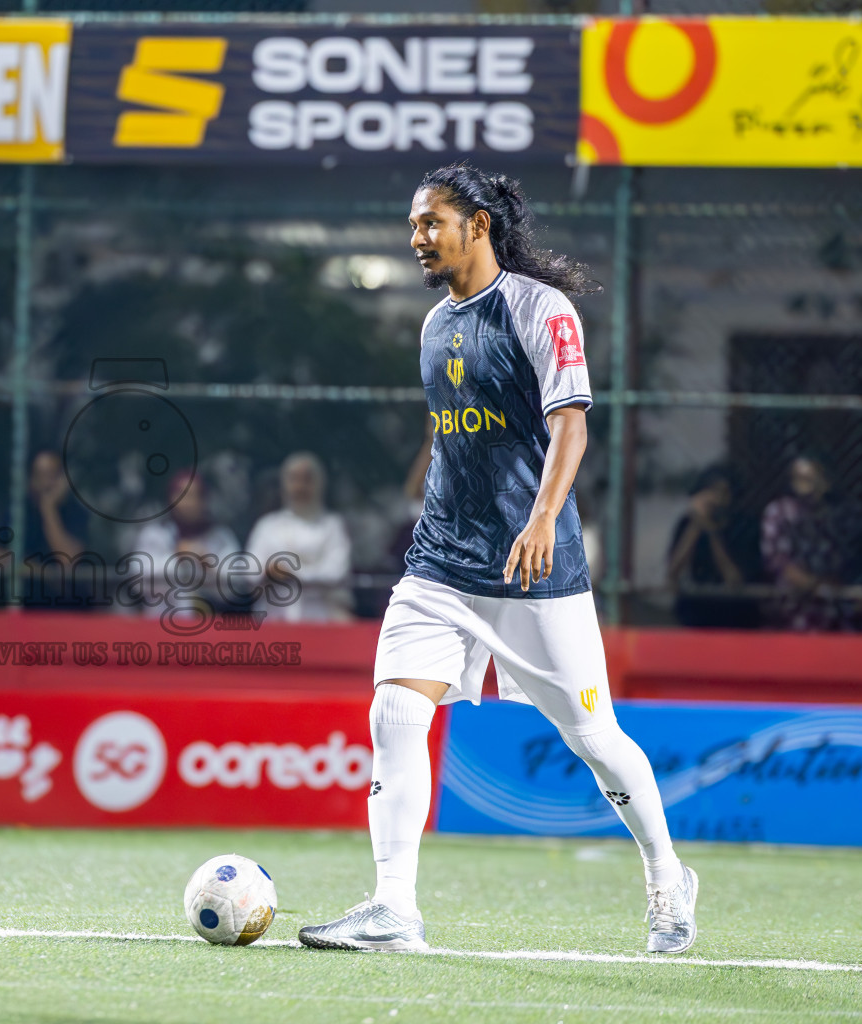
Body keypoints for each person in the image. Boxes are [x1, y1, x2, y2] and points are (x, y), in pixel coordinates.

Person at [298, 164, 696, 956]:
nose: (416, 239)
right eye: (412, 225)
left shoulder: (540, 309)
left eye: (430, 222)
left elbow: (571, 425)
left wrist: (544, 516)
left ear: (478, 224)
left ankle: (667, 877)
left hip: (531, 567)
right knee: (394, 713)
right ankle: (393, 909)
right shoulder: (434, 324)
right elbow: (452, 436)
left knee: (594, 736)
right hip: (441, 561)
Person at [0, 450, 95, 608]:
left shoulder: (75, 513)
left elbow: (67, 559)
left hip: (66, 609)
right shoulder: (18, 512)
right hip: (24, 606)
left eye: (52, 475)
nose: (46, 482)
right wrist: (28, 566)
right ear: (30, 479)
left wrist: (48, 508)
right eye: (40, 475)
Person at [245, 453, 353, 622]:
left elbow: (335, 573)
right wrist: (268, 571)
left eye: (307, 480)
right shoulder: (267, 526)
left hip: (321, 622)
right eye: (294, 479)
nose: (300, 487)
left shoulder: (332, 525)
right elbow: (249, 571)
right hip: (272, 621)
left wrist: (292, 572)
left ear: (319, 483)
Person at [760, 455, 853, 631]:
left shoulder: (835, 514)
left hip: (832, 614)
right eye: (802, 479)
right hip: (792, 610)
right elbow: (779, 562)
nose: (809, 485)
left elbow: (842, 560)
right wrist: (815, 586)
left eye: (815, 479)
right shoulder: (779, 511)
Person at [133, 470, 242, 613]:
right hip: (160, 623)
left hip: (209, 626)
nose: (187, 503)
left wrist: (209, 564)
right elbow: (138, 581)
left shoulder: (221, 536)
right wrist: (176, 557)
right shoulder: (154, 534)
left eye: (193, 496)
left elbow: (237, 586)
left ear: (204, 500)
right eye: (180, 496)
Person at [667, 465, 760, 629]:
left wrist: (712, 532)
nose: (714, 499)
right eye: (709, 491)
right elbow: (673, 574)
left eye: (722, 492)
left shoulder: (745, 527)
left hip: (735, 615)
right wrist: (696, 525)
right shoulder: (688, 524)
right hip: (697, 613)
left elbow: (735, 580)